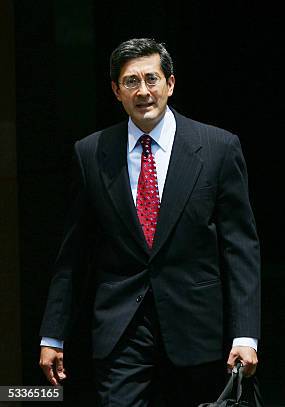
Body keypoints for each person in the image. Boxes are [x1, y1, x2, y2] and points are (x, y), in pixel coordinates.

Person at [38, 38, 260, 406]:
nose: (143, 91)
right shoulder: (91, 153)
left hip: (198, 331)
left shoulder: (218, 148)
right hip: (121, 330)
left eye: (152, 79)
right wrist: (52, 335)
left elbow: (241, 249)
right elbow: (73, 254)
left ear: (170, 84)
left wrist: (245, 336)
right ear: (115, 90)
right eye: (131, 81)